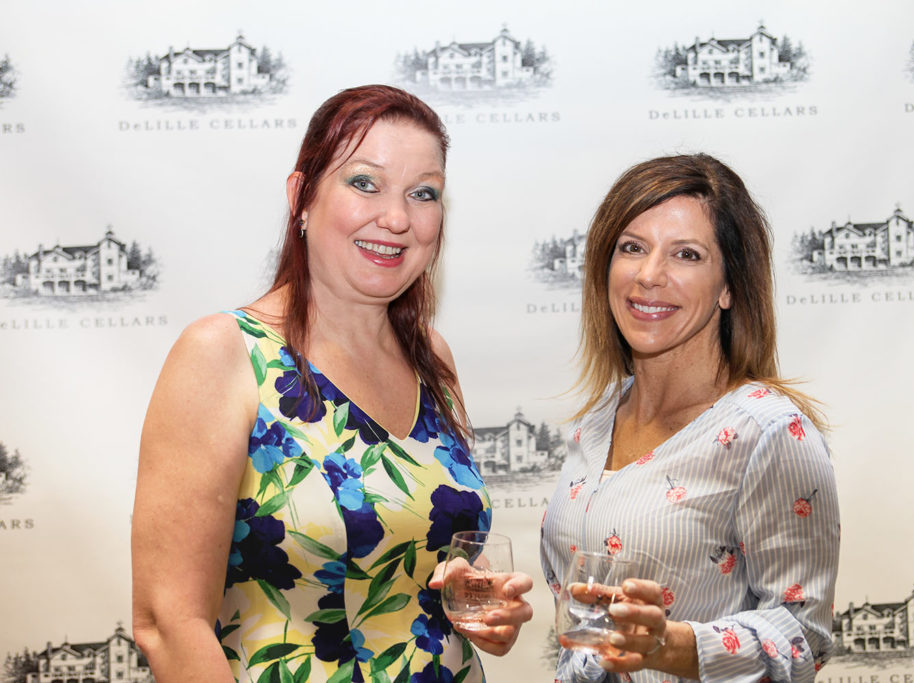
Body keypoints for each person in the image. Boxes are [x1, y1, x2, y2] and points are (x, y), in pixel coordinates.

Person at [132, 84, 533, 683]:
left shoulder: (432, 358)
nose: (396, 218)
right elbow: (169, 624)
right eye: (365, 183)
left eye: (423, 193)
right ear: (301, 196)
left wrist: (476, 605)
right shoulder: (226, 353)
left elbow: (411, 557)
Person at [540, 154, 840, 682]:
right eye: (632, 247)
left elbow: (804, 637)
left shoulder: (768, 432)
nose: (648, 275)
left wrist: (669, 644)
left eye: (686, 254)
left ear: (729, 286)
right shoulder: (599, 418)